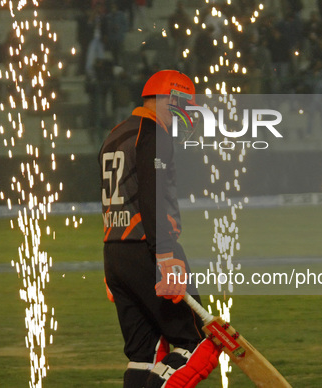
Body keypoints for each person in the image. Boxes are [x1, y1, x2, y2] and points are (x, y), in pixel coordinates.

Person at [99, 70, 221, 388]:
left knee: (144, 355)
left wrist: (115, 264)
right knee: (197, 345)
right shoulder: (154, 133)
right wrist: (165, 255)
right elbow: (152, 196)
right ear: (168, 98)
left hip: (116, 253)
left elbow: (112, 200)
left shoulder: (115, 133)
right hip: (150, 249)